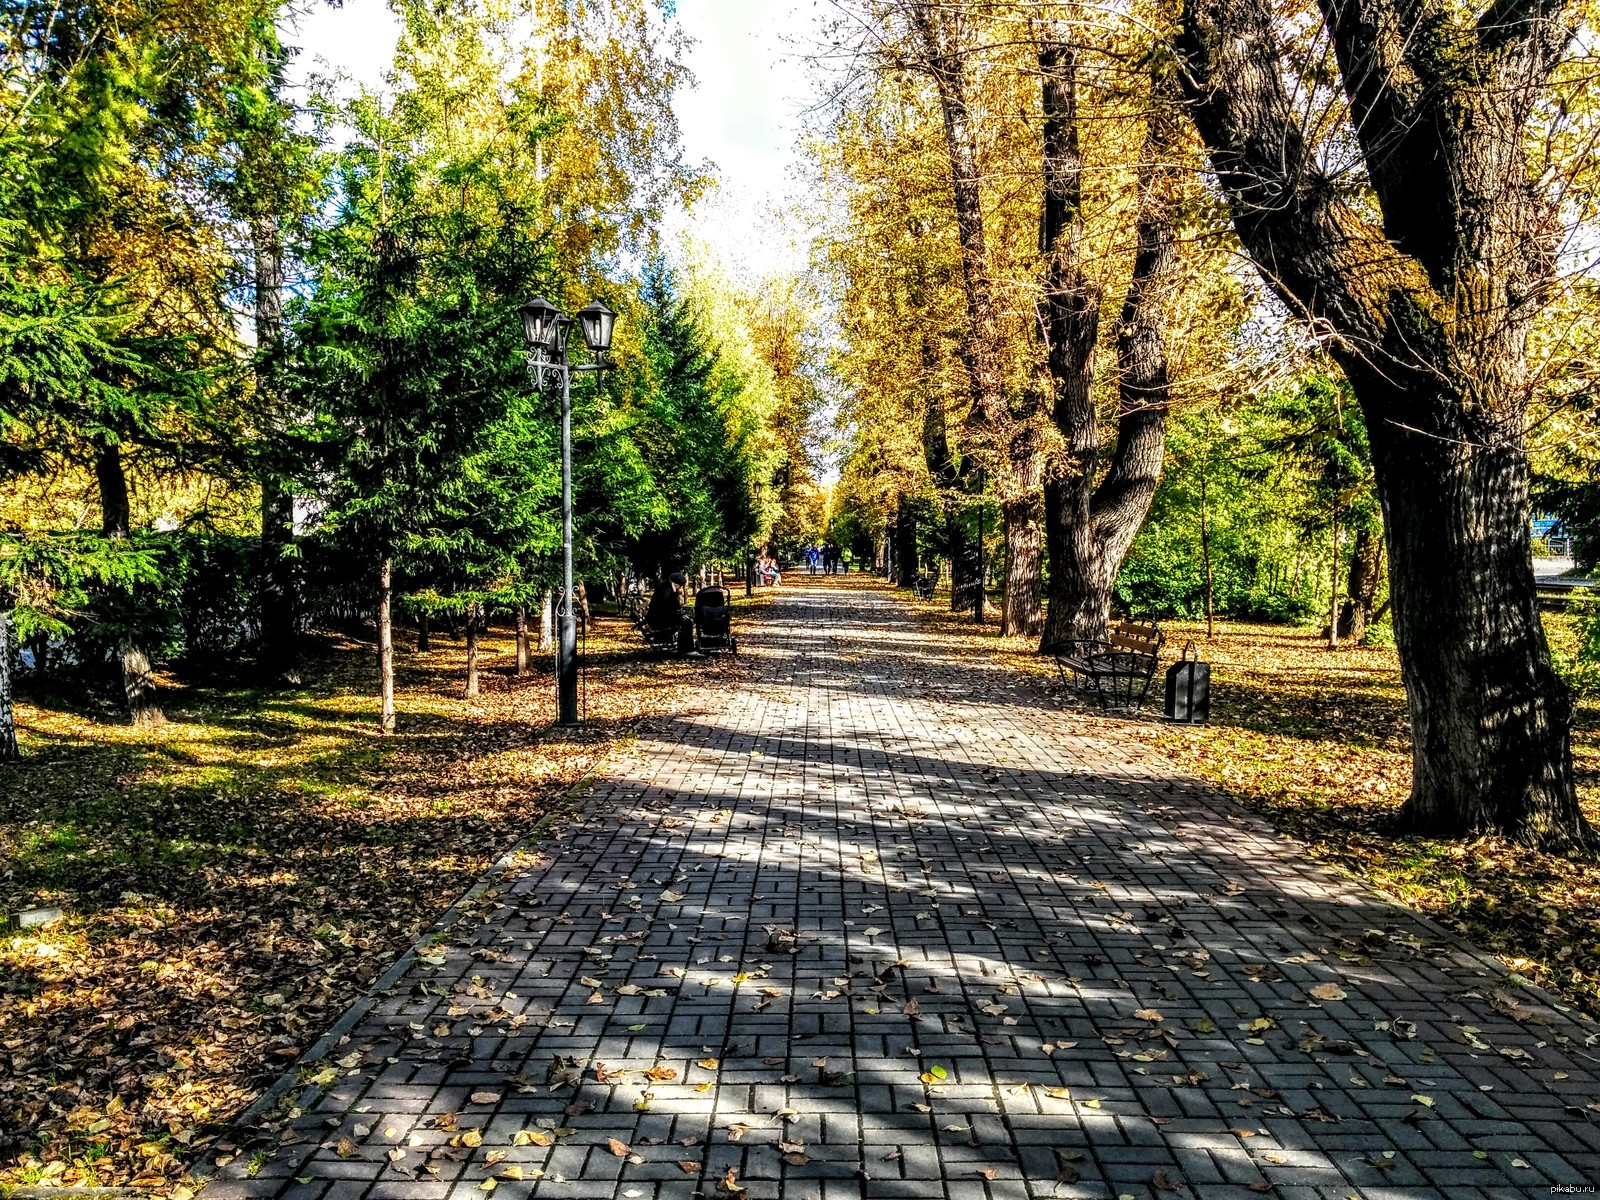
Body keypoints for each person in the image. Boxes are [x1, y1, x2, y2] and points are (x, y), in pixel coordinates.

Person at [645, 571, 693, 653]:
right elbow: (666, 608)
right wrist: (679, 615)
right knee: (686, 623)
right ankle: (686, 649)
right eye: (680, 585)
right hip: (659, 620)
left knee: (685, 621)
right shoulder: (666, 591)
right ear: (676, 584)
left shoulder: (665, 587)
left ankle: (685, 647)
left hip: (659, 617)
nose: (680, 588)